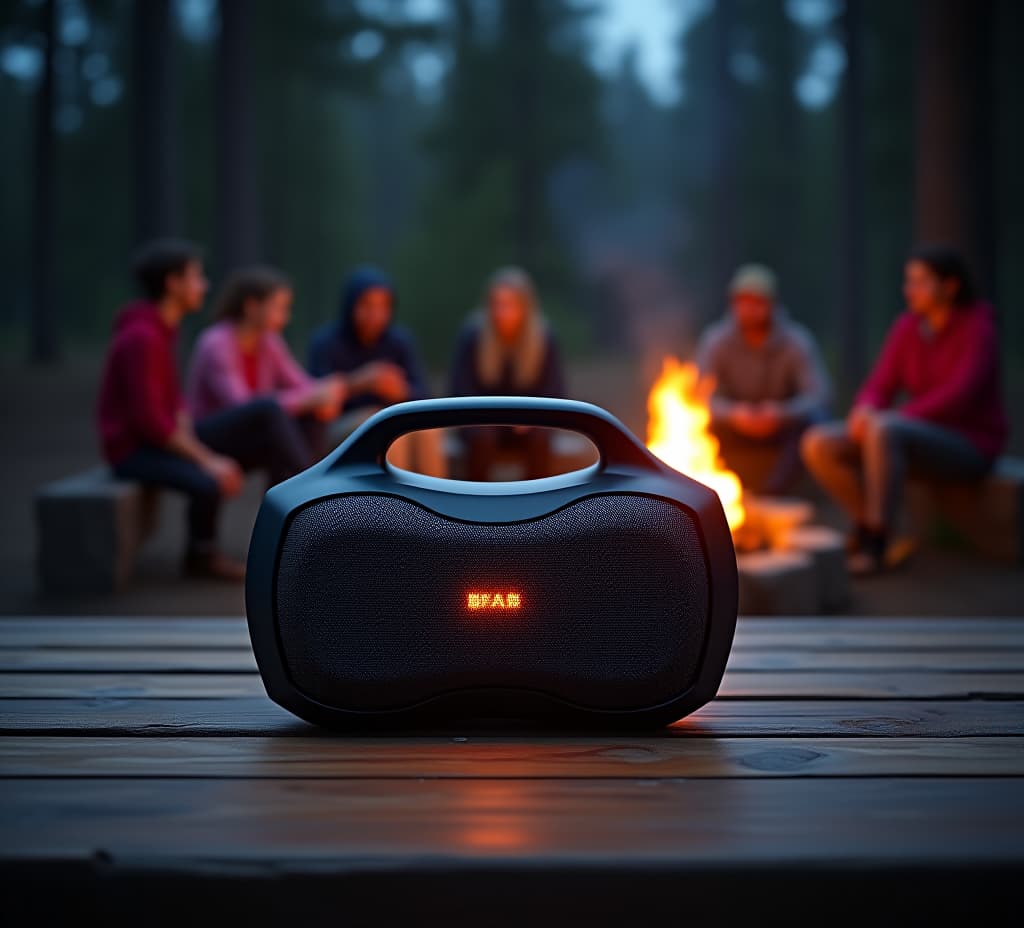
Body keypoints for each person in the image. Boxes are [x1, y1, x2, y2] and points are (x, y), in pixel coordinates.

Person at [97, 240, 310, 581]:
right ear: (173, 283)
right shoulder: (143, 337)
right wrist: (205, 458)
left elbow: (174, 404)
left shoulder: (162, 330)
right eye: (196, 277)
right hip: (132, 450)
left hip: (163, 438)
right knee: (209, 477)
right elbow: (148, 421)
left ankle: (288, 540)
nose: (204, 285)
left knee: (272, 445)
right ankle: (202, 555)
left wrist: (196, 443)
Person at [801, 245, 1008, 575]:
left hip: (970, 444)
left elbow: (960, 394)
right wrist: (864, 409)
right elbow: (880, 384)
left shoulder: (978, 328)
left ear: (950, 285)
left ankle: (877, 541)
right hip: (916, 436)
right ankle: (876, 527)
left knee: (885, 429)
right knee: (818, 442)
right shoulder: (907, 328)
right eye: (908, 281)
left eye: (921, 281)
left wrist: (893, 417)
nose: (909, 290)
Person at [696, 263, 831, 495]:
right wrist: (735, 413)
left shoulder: (796, 341)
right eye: (742, 302)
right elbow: (696, 399)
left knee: (816, 423)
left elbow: (819, 395)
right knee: (695, 424)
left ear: (773, 304)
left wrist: (781, 413)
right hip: (734, 423)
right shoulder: (716, 340)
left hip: (782, 425)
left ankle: (772, 495)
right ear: (733, 304)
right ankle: (709, 494)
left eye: (757, 302)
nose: (749, 309)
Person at [187, 265, 346, 462]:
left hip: (252, 426)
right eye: (279, 308)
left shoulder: (269, 340)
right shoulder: (216, 343)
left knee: (310, 415)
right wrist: (308, 399)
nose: (286, 317)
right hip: (209, 433)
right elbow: (243, 406)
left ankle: (290, 487)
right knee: (272, 411)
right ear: (252, 306)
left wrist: (326, 393)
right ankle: (308, 481)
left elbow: (298, 382)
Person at [308, 267, 445, 476]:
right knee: (388, 433)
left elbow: (424, 397)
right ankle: (397, 505)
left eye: (383, 306)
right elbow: (316, 402)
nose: (375, 314)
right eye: (367, 305)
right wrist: (359, 383)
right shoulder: (327, 343)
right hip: (344, 425)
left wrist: (402, 391)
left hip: (392, 418)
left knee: (427, 432)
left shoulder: (399, 342)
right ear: (351, 305)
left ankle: (437, 501)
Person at [449, 266, 566, 480]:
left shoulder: (543, 337)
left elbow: (556, 390)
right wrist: (493, 418)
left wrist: (532, 417)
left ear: (525, 307)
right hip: (481, 422)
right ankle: (477, 504)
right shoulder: (473, 335)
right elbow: (459, 389)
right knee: (482, 438)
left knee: (540, 438)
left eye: (509, 305)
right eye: (496, 304)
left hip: (528, 425)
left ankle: (537, 505)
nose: (501, 312)